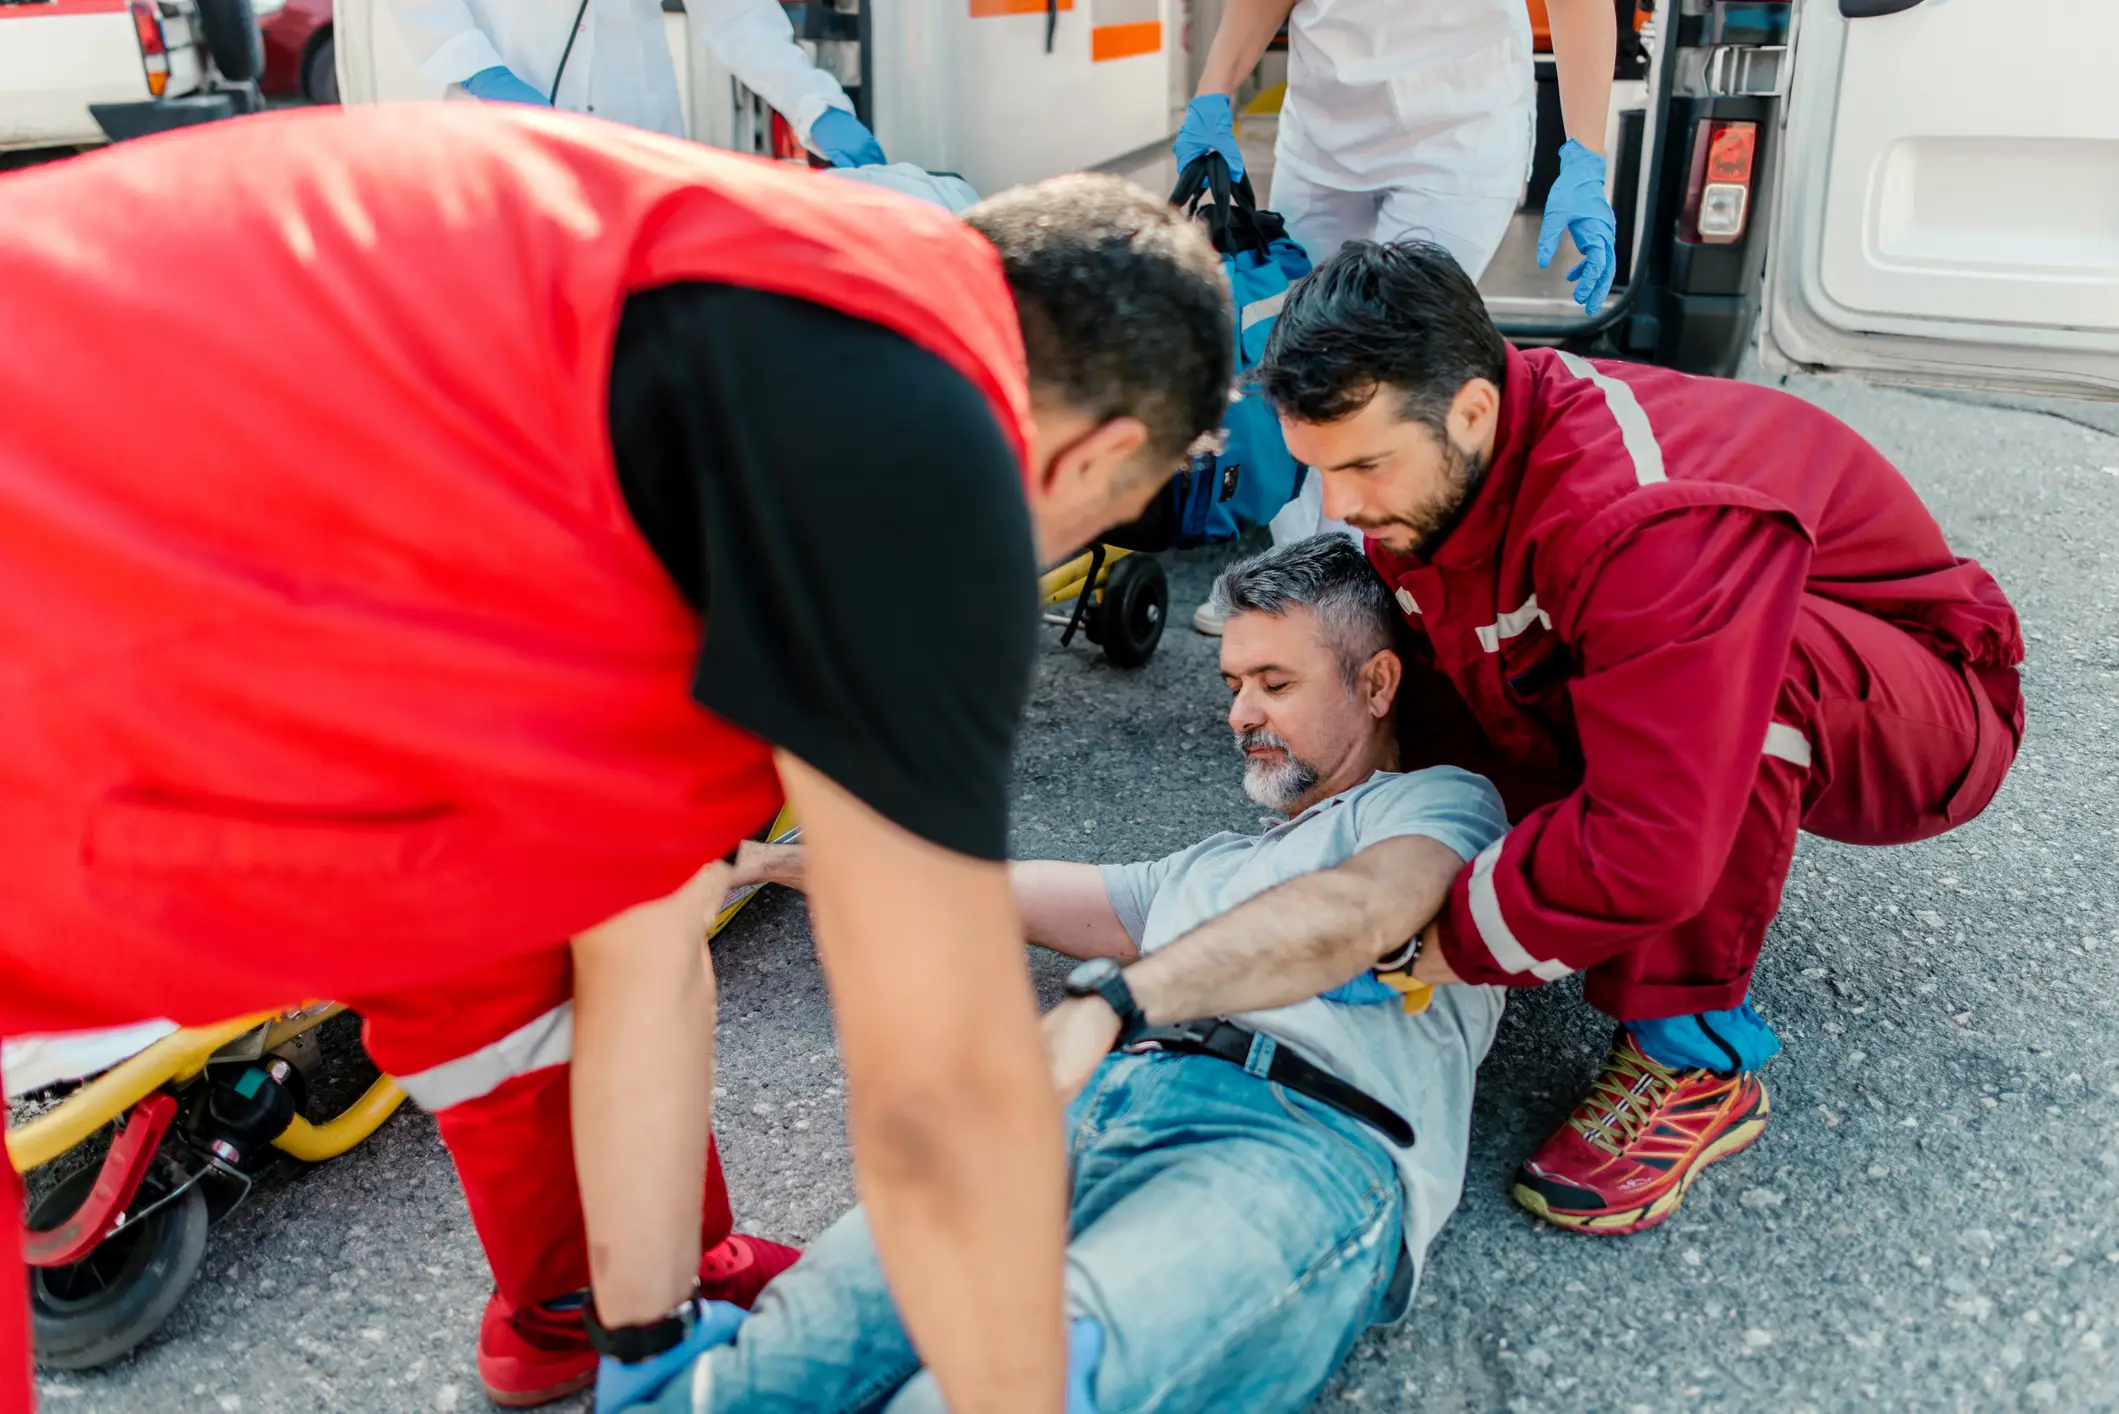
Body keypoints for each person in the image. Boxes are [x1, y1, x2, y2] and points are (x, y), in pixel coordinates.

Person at [0, 104, 1231, 1414]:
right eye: (1098, 514)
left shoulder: (757, 292)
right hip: (71, 623)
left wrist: (645, 1342)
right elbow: (935, 1083)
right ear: (1102, 451)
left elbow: (641, 940)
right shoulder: (918, 449)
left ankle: (576, 1314)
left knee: (529, 917)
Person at [1252, 240, 2025, 1236]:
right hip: (1709, 641)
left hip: (1928, 711)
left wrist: (1440, 944)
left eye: (1364, 464)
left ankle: (1694, 1057)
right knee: (1440, 644)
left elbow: (1651, 839)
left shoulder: (1639, 518)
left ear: (1472, 411)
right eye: (1320, 467)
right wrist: (1379, 846)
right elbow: (1448, 675)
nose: (1340, 504)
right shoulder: (1451, 459)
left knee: (1738, 693)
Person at [669, 534, 1509, 1414]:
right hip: (1089, 1105)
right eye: (1233, 685)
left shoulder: (1439, 805)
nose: (1239, 715)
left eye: (1275, 683)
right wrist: (769, 863)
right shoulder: (1204, 870)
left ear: (1376, 685)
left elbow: (1368, 909)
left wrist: (1121, 997)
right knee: (760, 1372)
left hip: (1302, 1141)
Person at [1178, 0, 1622, 623]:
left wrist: (1584, 158)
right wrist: (1213, 92)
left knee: (1378, 368)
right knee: (1292, 357)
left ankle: (1347, 600)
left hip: (1459, 134)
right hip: (1327, 131)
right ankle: (1291, 583)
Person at [341, 0, 885, 165]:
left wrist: (813, 103)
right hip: (502, 140)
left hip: (636, 136)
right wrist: (481, 70)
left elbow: (735, 15)